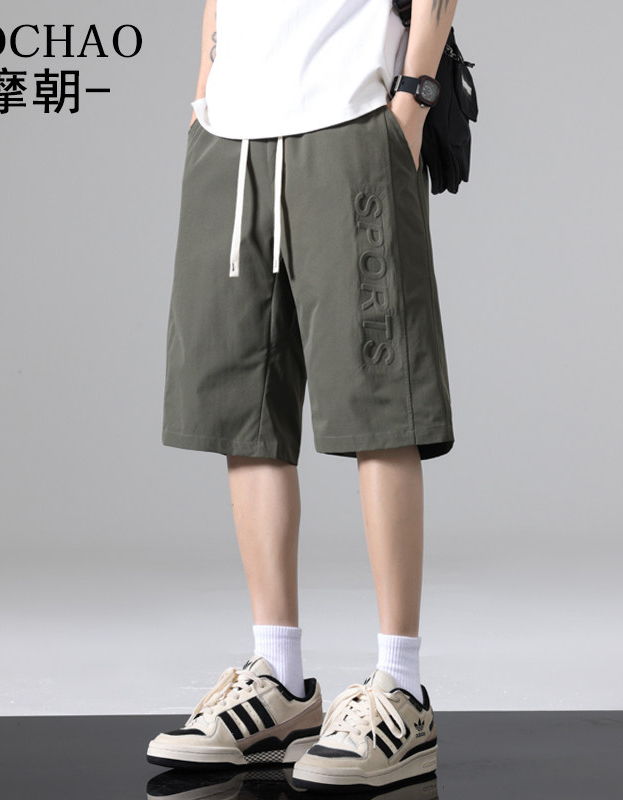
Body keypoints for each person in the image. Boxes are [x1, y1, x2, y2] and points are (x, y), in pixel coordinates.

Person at [148, 0, 458, 790]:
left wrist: (412, 101)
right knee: (243, 407)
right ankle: (279, 683)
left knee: (381, 401)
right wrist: (205, 90)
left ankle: (402, 688)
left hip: (353, 120)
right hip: (230, 134)